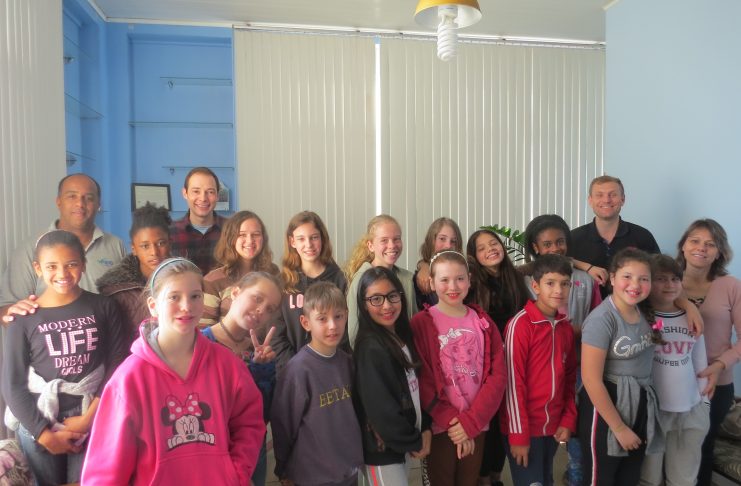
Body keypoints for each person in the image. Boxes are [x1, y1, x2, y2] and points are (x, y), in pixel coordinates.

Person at [81, 258, 266, 485]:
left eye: (195, 296)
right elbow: (106, 467)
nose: (186, 306)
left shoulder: (228, 365)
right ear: (153, 305)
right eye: (174, 297)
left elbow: (250, 424)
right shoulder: (129, 378)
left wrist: (235, 473)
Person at [1, 230, 126, 485]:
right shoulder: (23, 319)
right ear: (37, 268)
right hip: (38, 418)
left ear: (83, 264)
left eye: (71, 264)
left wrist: (89, 419)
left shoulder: (104, 307)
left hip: (92, 414)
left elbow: (117, 365)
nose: (62, 273)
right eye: (51, 266)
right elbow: (12, 385)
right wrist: (44, 434)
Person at [411, 250, 506, 486]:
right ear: (431, 282)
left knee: (468, 481)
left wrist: (471, 423)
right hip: (442, 426)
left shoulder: (484, 322)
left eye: (460, 278)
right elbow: (422, 379)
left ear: (469, 280)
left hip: (476, 424)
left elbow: (497, 377)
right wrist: (455, 423)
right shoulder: (421, 323)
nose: (453, 286)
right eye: (444, 280)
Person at [522, 214, 602, 486]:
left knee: (576, 426)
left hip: (578, 366)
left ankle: (575, 475)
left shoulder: (586, 280)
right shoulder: (526, 281)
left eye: (560, 242)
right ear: (535, 247)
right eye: (547, 244)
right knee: (543, 431)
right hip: (540, 369)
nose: (555, 248)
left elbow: (598, 321)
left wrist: (577, 331)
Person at [579, 248, 664, 486]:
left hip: (641, 401)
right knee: (602, 478)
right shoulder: (602, 320)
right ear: (613, 278)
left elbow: (674, 292)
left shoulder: (645, 311)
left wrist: (689, 307)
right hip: (607, 405)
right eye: (627, 276)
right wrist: (618, 428)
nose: (635, 284)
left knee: (629, 477)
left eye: (643, 278)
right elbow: (591, 380)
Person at [271, 281, 363, 486]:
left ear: (347, 316)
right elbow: (283, 426)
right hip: (312, 476)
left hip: (349, 471)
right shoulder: (297, 371)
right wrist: (283, 469)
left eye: (338, 316)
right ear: (306, 322)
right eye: (322, 318)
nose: (332, 325)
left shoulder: (349, 363)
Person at [0, 174, 126, 320]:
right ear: (58, 201)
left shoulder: (115, 245)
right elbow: (6, 309)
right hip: (50, 334)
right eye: (72, 196)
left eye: (89, 198)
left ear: (98, 204)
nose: (80, 204)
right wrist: (13, 316)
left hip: (107, 333)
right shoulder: (31, 249)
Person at [675, 219, 741, 486]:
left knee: (702, 448)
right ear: (683, 246)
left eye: (710, 244)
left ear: (719, 253)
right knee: (667, 445)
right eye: (695, 241)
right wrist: (685, 303)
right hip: (670, 380)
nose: (701, 248)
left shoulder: (731, 285)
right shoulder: (666, 282)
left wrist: (720, 365)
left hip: (715, 384)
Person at [501, 254, 577, 486]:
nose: (558, 290)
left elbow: (570, 378)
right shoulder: (520, 325)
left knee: (546, 480)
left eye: (565, 284)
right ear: (535, 286)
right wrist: (518, 435)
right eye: (550, 283)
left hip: (552, 428)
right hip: (524, 429)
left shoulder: (565, 328)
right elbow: (512, 384)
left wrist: (567, 419)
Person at [202, 271, 283, 486]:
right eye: (257, 298)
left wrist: (261, 370)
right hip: (213, 452)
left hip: (253, 453)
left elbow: (262, 415)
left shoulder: (260, 352)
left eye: (270, 309)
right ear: (235, 292)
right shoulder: (201, 344)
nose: (261, 310)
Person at [353, 267, 432, 485]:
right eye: (376, 299)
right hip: (382, 453)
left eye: (392, 296)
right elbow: (382, 411)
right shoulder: (370, 347)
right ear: (364, 304)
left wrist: (424, 427)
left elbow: (414, 391)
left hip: (400, 446)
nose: (387, 305)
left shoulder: (401, 336)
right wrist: (414, 440)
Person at [639, 254, 711, 486]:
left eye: (675, 279)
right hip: (653, 413)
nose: (669, 285)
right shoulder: (638, 317)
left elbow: (700, 363)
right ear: (648, 282)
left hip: (690, 411)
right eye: (661, 279)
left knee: (683, 479)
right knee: (648, 478)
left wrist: (704, 403)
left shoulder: (692, 318)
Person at [465, 229, 530, 486]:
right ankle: (483, 478)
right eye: (482, 248)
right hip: (486, 364)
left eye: (494, 243)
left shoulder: (515, 278)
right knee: (489, 424)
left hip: (514, 359)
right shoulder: (472, 283)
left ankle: (496, 476)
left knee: (505, 420)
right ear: (474, 256)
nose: (490, 249)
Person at [273, 211, 348, 374]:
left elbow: (346, 330)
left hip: (332, 370)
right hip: (292, 371)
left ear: (322, 239)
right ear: (292, 242)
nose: (309, 244)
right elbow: (276, 335)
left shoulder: (340, 280)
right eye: (301, 239)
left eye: (314, 237)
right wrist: (295, 368)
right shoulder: (282, 283)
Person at [568, 175, 659, 298]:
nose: (606, 200)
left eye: (613, 195)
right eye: (599, 195)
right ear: (590, 200)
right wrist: (586, 267)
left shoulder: (642, 236)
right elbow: (555, 262)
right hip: (585, 308)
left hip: (635, 307)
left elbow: (658, 275)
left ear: (623, 199)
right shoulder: (573, 238)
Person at [96, 203, 171, 348]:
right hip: (133, 358)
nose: (154, 252)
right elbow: (113, 341)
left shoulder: (185, 279)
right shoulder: (116, 290)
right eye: (145, 246)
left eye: (161, 243)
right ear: (134, 249)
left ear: (170, 243)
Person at [346, 215, 417, 347]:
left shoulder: (407, 279)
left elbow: (412, 322)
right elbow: (353, 331)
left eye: (396, 239)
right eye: (384, 240)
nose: (392, 245)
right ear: (370, 245)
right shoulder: (360, 279)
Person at [201, 210, 279, 327]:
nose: (250, 240)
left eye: (256, 234)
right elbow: (203, 331)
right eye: (242, 235)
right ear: (230, 239)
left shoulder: (273, 273)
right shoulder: (212, 281)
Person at [169, 167, 227, 275]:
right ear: (185, 193)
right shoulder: (170, 232)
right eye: (196, 191)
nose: (203, 198)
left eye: (210, 192)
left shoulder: (232, 229)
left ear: (217, 195)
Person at [413, 217, 463, 309]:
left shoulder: (466, 272)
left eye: (453, 241)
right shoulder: (421, 279)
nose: (448, 246)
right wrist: (424, 266)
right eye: (442, 239)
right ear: (431, 241)